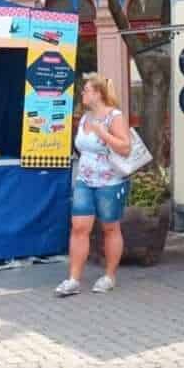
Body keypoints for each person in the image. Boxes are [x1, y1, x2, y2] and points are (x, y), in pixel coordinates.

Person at [55, 74, 131, 298]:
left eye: (86, 90)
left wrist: (103, 134)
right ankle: (73, 279)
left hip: (110, 181)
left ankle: (109, 276)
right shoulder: (85, 118)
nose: (83, 93)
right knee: (79, 226)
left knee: (110, 227)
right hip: (85, 180)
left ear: (98, 93)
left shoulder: (114, 117)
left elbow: (125, 148)